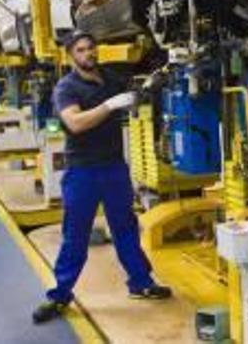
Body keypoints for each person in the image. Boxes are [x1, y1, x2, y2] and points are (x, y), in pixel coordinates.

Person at [33, 32, 172, 324]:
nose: (89, 54)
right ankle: (59, 296)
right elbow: (75, 122)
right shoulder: (66, 88)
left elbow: (136, 93)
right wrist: (110, 105)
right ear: (72, 55)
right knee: (75, 235)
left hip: (113, 167)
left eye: (92, 48)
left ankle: (140, 282)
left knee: (125, 228)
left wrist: (148, 88)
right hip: (82, 171)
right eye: (82, 50)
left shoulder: (109, 78)